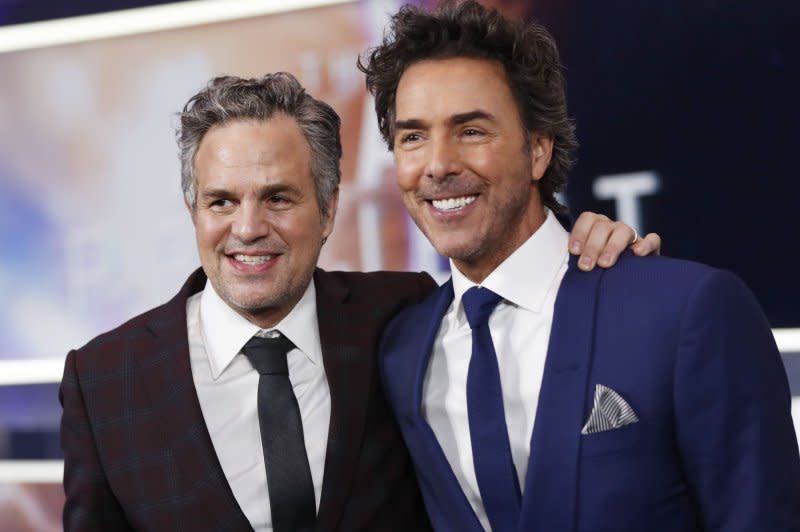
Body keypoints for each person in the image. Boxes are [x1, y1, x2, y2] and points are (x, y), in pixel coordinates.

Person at [59, 72, 653, 531]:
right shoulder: (106, 380)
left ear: (329, 210)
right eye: (221, 202)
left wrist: (587, 247)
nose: (248, 228)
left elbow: (517, 285)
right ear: (193, 213)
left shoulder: (403, 317)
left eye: (279, 198)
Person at [362, 2, 800, 531]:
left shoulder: (687, 310)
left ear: (539, 150)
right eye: (413, 137)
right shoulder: (400, 350)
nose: (438, 164)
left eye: (472, 131)